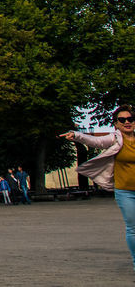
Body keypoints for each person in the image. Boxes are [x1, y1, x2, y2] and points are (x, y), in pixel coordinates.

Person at [62, 106, 135, 270]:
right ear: (116, 124)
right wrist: (77, 135)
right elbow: (95, 142)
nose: (127, 122)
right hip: (125, 191)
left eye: (130, 119)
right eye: (122, 120)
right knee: (133, 228)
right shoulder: (115, 139)